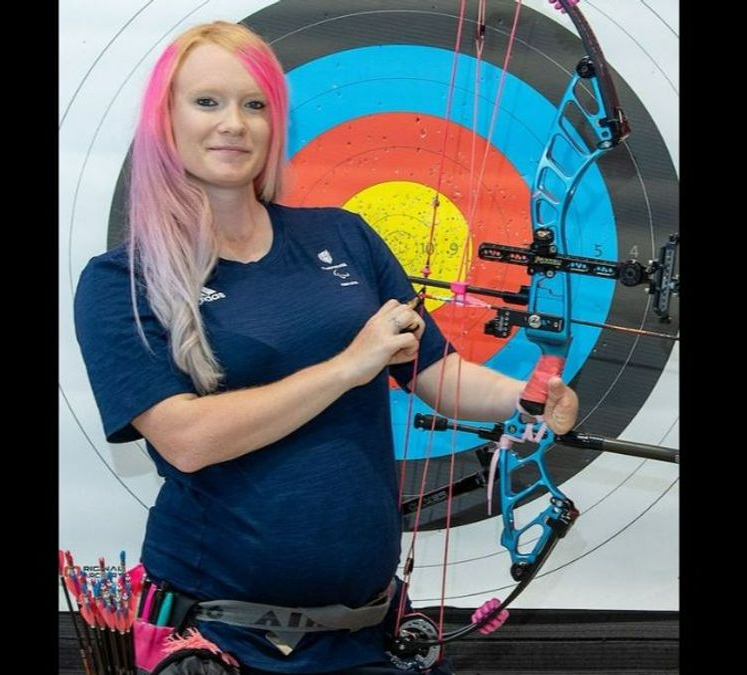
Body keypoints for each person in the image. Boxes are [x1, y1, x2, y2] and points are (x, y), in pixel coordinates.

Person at [73, 20, 579, 675]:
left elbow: (438, 373)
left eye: (254, 104)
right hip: (221, 639)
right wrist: (347, 366)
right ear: (164, 120)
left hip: (369, 631)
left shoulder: (344, 237)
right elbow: (186, 438)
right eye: (207, 102)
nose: (234, 123)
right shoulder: (121, 280)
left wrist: (527, 397)